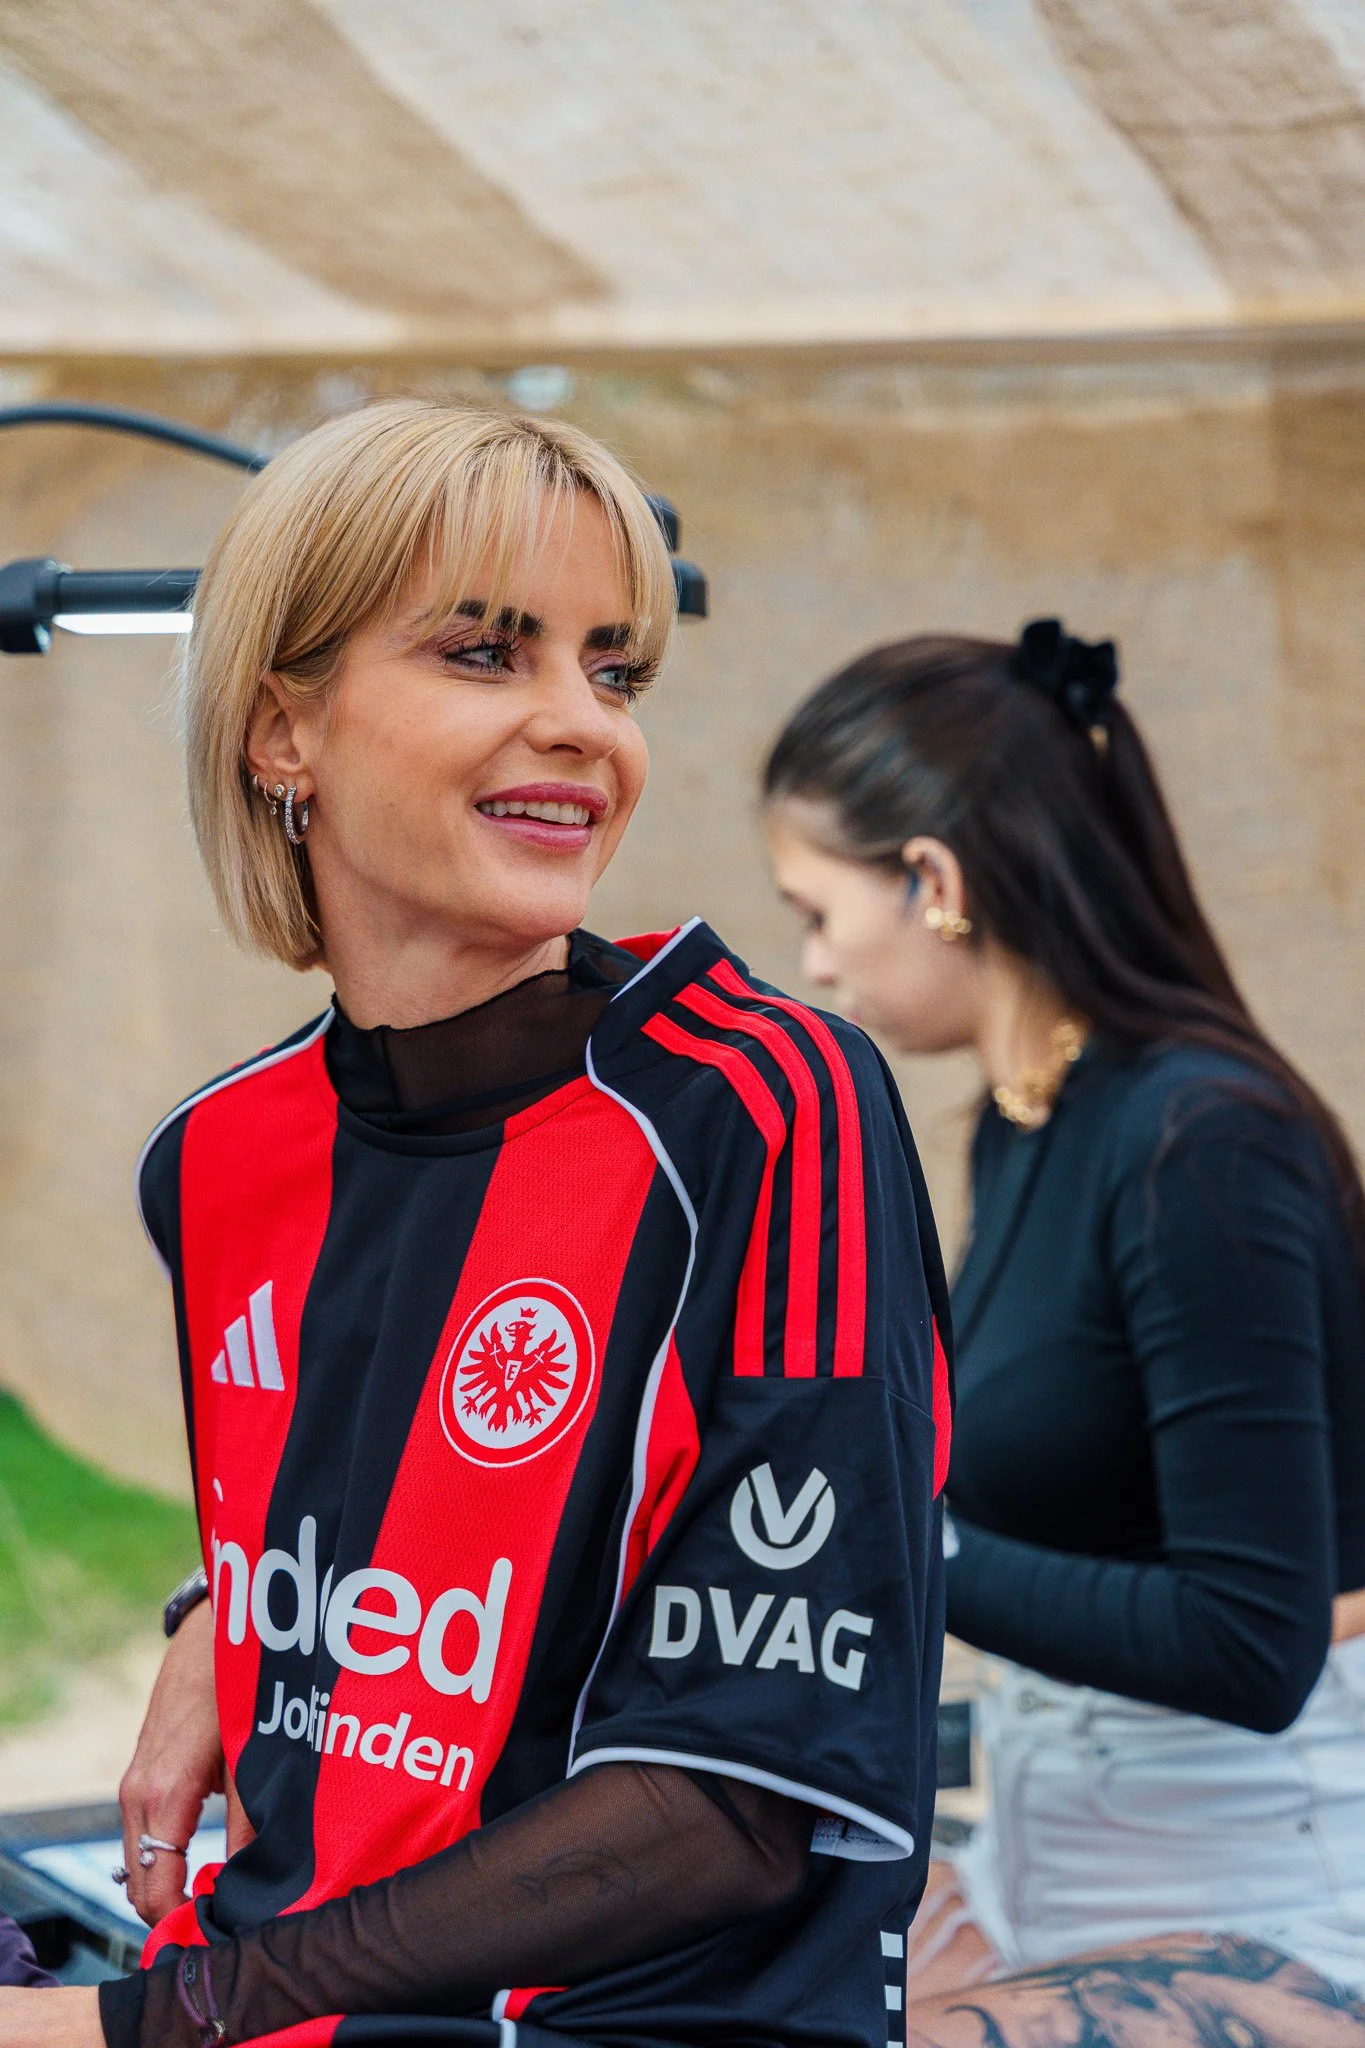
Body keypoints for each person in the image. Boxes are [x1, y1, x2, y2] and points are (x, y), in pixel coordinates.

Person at [0, 401, 951, 2048]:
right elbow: (401, 1536)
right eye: (487, 653)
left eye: (615, 669)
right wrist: (220, 1609)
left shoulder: (766, 1097)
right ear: (277, 729)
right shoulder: (218, 1157)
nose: (586, 725)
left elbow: (728, 1806)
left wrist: (151, 2024)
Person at [761, 622, 1365, 2047]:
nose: (812, 967)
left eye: (817, 911)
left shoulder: (1202, 1147)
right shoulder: (1028, 1123)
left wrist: (896, 1541)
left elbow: (1250, 1640)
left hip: (1257, 1895)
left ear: (934, 882)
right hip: (1051, 1852)